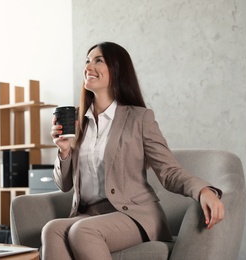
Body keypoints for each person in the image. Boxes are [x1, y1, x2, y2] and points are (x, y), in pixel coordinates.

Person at [43, 42, 224, 260]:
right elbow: (64, 185)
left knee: (83, 231)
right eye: (87, 60)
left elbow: (169, 171)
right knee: (51, 230)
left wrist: (204, 190)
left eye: (98, 60)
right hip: (90, 214)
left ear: (117, 70)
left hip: (133, 214)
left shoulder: (139, 118)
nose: (89, 66)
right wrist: (64, 151)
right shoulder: (77, 121)